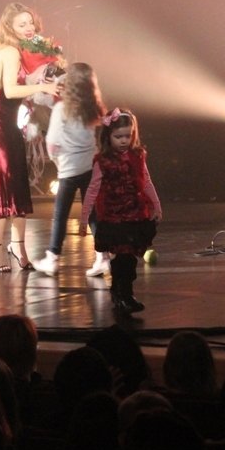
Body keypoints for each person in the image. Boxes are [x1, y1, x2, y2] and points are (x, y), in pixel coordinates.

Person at [0, 2, 60, 272]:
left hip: (6, 116)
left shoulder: (16, 50)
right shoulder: (9, 51)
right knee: (4, 181)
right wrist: (44, 87)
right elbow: (8, 91)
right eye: (22, 24)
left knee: (17, 179)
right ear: (9, 27)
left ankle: (18, 247)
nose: (29, 28)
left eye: (30, 22)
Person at [80, 108, 162, 314]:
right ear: (108, 136)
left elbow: (146, 181)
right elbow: (92, 190)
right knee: (124, 255)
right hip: (114, 216)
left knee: (129, 257)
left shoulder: (137, 156)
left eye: (128, 136)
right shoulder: (103, 161)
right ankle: (123, 294)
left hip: (135, 213)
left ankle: (121, 292)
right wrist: (84, 218)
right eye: (119, 137)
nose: (124, 140)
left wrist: (156, 205)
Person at [33, 62, 107, 276]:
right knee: (92, 214)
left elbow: (52, 143)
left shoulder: (61, 110)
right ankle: (103, 257)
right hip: (89, 167)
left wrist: (57, 162)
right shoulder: (92, 109)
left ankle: (52, 258)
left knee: (60, 215)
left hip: (68, 170)